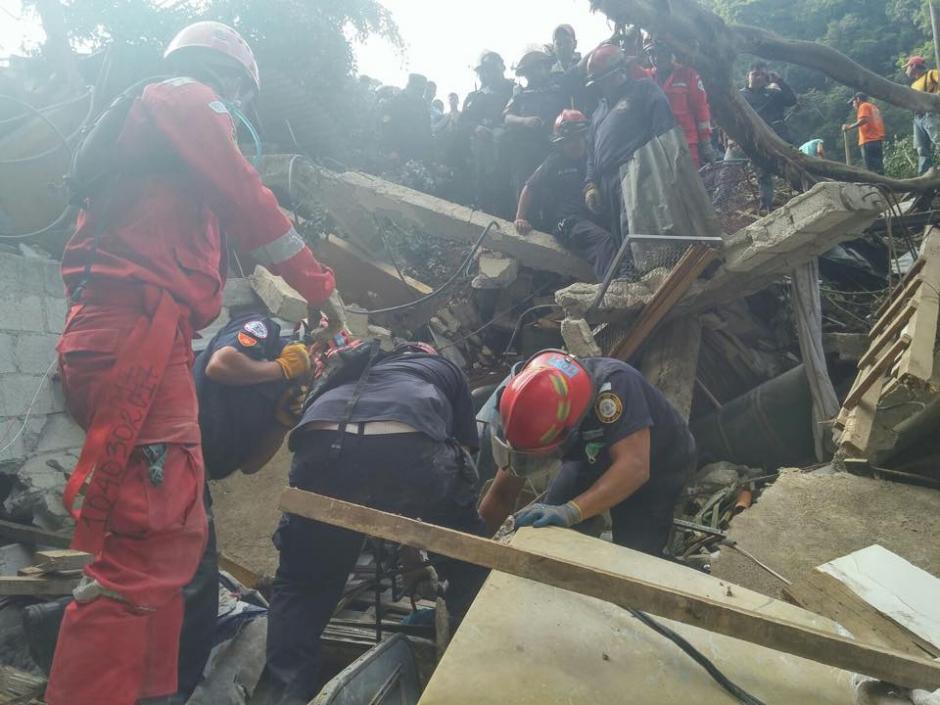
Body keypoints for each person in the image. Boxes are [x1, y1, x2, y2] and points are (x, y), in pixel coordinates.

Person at [46, 21, 336, 705]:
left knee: (176, 538)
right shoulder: (181, 97)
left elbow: (256, 460)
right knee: (147, 547)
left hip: (148, 336)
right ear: (228, 80)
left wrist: (292, 385)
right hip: (135, 335)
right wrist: (320, 285)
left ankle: (149, 694)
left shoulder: (169, 152)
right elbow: (251, 201)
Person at [266, 339, 488, 704]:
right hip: (408, 442)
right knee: (462, 542)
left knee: (304, 582)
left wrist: (408, 554)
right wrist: (427, 548)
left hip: (321, 442)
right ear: (425, 354)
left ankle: (282, 694)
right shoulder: (444, 370)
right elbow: (462, 462)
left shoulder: (354, 370)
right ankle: (474, 656)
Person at [180, 312, 313, 695]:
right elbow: (221, 365)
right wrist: (282, 366)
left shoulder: (280, 382)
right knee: (190, 583)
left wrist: (280, 423)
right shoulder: (264, 331)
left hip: (195, 478)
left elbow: (252, 466)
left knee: (196, 584)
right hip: (171, 459)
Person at [477, 350, 696, 556]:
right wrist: (476, 551)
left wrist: (571, 512)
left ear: (566, 429)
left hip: (655, 463)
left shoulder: (615, 386)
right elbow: (502, 493)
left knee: (634, 553)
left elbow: (635, 467)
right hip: (589, 454)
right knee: (546, 524)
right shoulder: (527, 403)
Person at [582, 44, 721, 275]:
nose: (602, 84)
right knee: (619, 232)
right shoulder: (598, 112)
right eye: (598, 81)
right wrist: (590, 184)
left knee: (641, 227)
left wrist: (670, 170)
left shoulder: (644, 90)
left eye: (604, 78)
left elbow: (666, 133)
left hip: (639, 172)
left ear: (620, 71)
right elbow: (591, 153)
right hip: (607, 181)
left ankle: (675, 272)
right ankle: (636, 275)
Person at [514, 109, 632, 280]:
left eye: (578, 138)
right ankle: (612, 290)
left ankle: (627, 277)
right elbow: (530, 187)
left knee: (618, 234)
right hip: (567, 223)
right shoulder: (554, 162)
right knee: (603, 240)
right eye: (569, 140)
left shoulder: (594, 160)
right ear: (561, 143)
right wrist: (520, 217)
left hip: (592, 220)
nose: (575, 144)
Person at [504, 48, 569, 200]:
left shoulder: (560, 88)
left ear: (547, 67)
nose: (536, 73)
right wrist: (525, 121)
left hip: (556, 146)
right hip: (528, 149)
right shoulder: (520, 94)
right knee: (525, 186)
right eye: (531, 70)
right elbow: (507, 117)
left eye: (539, 67)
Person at [461, 51, 516, 217]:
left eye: (493, 69)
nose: (490, 74)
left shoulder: (514, 90)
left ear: (502, 68)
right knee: (484, 194)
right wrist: (476, 128)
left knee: (507, 197)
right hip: (482, 156)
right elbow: (463, 121)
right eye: (486, 70)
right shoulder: (476, 96)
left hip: (508, 153)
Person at [738, 61, 797, 212]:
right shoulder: (740, 96)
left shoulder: (773, 94)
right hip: (756, 140)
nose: (758, 77)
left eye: (762, 75)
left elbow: (791, 100)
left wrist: (779, 81)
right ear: (748, 76)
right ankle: (766, 208)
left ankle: (800, 195)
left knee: (791, 167)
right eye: (755, 74)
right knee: (762, 173)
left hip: (780, 137)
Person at [646, 40, 715, 168]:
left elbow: (701, 109)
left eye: (660, 53)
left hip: (686, 142)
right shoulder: (647, 77)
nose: (656, 58)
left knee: (692, 182)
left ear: (670, 53)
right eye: (651, 54)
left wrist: (706, 143)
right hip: (657, 145)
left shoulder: (688, 75)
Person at [379, 73, 433, 163]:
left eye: (422, 90)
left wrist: (429, 154)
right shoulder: (395, 102)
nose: (420, 93)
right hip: (396, 153)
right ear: (410, 86)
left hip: (416, 154)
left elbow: (427, 129)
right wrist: (390, 149)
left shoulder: (422, 105)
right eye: (418, 89)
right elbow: (385, 126)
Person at [905, 55, 940, 174]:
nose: (906, 70)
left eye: (908, 67)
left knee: (938, 141)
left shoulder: (931, 74)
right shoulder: (914, 85)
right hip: (918, 118)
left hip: (931, 115)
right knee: (921, 150)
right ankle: (925, 176)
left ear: (914, 65)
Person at [843, 92, 885, 175]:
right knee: (879, 167)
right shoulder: (873, 107)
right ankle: (883, 185)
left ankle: (876, 186)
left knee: (871, 169)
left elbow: (864, 120)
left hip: (868, 141)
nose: (853, 105)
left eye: (853, 102)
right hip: (877, 140)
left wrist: (849, 127)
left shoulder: (863, 106)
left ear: (858, 99)